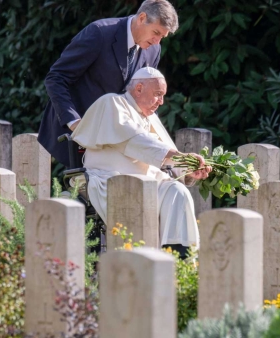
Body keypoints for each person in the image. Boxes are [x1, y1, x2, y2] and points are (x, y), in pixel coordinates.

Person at [71, 67, 211, 257]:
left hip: (149, 184)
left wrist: (188, 169)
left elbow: (164, 155)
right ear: (138, 88)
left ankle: (178, 258)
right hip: (110, 181)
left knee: (179, 191)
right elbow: (137, 141)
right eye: (158, 94)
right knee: (138, 196)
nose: (161, 102)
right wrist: (181, 157)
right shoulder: (112, 102)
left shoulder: (150, 117)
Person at [38, 0, 179, 168]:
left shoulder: (154, 50)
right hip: (75, 135)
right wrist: (75, 122)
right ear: (142, 18)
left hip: (116, 144)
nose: (157, 42)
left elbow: (139, 97)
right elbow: (56, 78)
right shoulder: (99, 33)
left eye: (162, 37)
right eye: (155, 32)